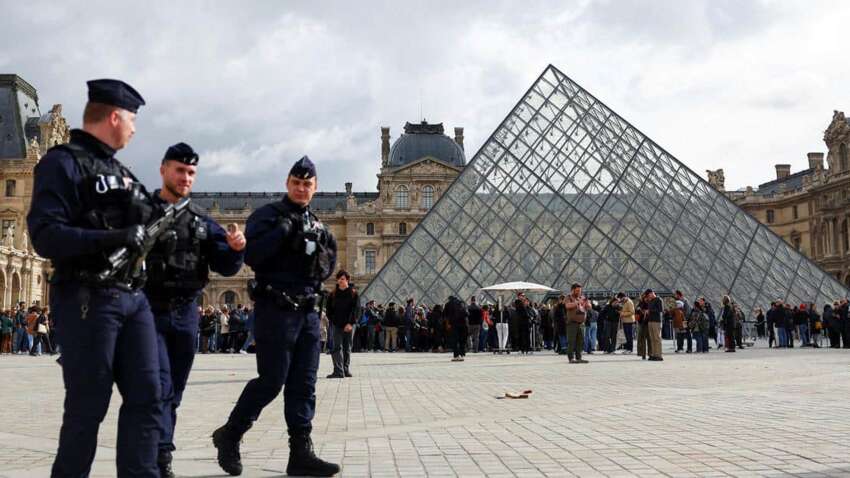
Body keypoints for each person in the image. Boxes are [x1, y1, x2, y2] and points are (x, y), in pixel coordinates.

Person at [27, 79, 163, 476]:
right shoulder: (62, 163)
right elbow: (45, 235)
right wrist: (113, 238)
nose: (135, 129)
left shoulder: (121, 172)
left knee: (148, 397)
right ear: (114, 117)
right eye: (132, 120)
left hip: (132, 298)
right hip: (87, 295)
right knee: (88, 404)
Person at [212, 156, 339, 477]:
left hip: (309, 313)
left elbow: (328, 267)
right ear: (287, 183)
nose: (301, 188)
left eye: (307, 184)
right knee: (271, 381)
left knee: (304, 384)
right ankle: (230, 434)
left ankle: (300, 453)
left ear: (315, 187)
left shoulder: (320, 227)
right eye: (296, 183)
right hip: (275, 310)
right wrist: (283, 232)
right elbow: (251, 256)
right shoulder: (266, 217)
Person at [144, 142, 246, 477]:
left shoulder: (202, 221)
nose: (185, 177)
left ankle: (161, 452)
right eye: (179, 170)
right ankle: (158, 455)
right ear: (163, 170)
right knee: (157, 387)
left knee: (173, 390)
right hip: (149, 311)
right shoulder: (141, 212)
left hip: (186, 313)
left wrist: (234, 250)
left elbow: (227, 267)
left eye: (191, 172)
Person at [325, 270, 359, 378]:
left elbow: (356, 310)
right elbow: (328, 310)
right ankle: (338, 371)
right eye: (339, 279)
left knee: (347, 348)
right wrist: (333, 321)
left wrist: (350, 323)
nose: (340, 281)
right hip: (337, 325)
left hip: (349, 325)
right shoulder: (333, 294)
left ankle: (345, 369)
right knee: (336, 347)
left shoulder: (353, 294)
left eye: (342, 279)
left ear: (347, 280)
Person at [564, 283, 589, 364]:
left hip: (581, 323)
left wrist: (587, 304)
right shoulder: (568, 297)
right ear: (572, 290)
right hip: (572, 323)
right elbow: (567, 306)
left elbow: (589, 307)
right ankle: (571, 358)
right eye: (577, 290)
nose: (579, 292)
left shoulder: (582, 297)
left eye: (580, 291)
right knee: (571, 341)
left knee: (580, 341)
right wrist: (577, 303)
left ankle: (579, 357)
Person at [445, 296, 469, 361]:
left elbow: (446, 315)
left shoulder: (448, 304)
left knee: (455, 340)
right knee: (462, 340)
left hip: (454, 324)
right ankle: (462, 354)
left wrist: (448, 324)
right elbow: (467, 314)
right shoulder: (462, 303)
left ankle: (456, 355)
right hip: (463, 324)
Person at [645, 289, 664, 361]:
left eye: (648, 295)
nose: (648, 297)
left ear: (652, 293)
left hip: (656, 321)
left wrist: (650, 311)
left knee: (657, 338)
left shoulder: (659, 300)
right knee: (652, 339)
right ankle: (653, 354)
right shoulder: (650, 301)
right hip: (650, 321)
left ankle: (659, 355)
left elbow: (660, 310)